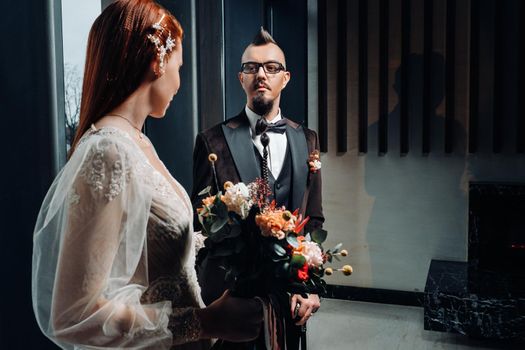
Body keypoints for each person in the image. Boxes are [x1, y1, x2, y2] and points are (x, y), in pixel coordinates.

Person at [31, 1, 262, 349]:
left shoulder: (138, 142)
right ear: (157, 60)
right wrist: (204, 321)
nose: (180, 82)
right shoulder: (108, 152)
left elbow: (147, 248)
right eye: (179, 67)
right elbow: (72, 313)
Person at [191, 28, 324, 349]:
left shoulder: (308, 140)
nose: (261, 74)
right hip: (230, 301)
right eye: (251, 67)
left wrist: (310, 286)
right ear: (241, 78)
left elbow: (314, 220)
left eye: (271, 67)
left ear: (286, 78)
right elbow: (201, 228)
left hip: (288, 303)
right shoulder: (212, 140)